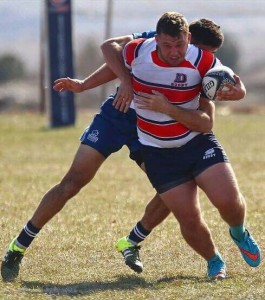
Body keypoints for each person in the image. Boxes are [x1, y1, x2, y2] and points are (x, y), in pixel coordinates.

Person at [0, 18, 243, 282]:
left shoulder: (198, 63)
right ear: (187, 40)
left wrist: (232, 90)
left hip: (153, 128)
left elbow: (221, 90)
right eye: (203, 51)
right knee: (73, 181)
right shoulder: (155, 41)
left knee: (174, 186)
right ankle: (18, 247)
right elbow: (116, 56)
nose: (180, 54)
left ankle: (132, 240)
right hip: (118, 113)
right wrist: (91, 85)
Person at [101, 12, 261, 279]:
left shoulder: (201, 59)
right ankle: (214, 261)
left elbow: (232, 80)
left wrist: (240, 91)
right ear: (156, 39)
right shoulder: (137, 52)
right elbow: (109, 51)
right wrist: (121, 83)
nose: (174, 52)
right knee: (188, 218)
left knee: (229, 202)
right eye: (167, 45)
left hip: (196, 143)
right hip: (158, 152)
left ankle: (238, 231)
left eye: (180, 45)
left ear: (188, 38)